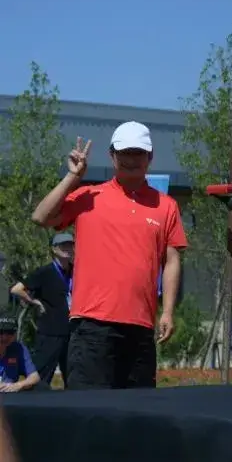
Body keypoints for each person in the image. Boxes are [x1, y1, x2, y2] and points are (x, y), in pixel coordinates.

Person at [31, 124, 186, 390]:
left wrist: (168, 312)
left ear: (150, 157)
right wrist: (72, 177)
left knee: (138, 411)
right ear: (112, 156)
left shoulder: (166, 205)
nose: (131, 160)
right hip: (92, 326)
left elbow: (171, 260)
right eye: (124, 152)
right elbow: (41, 217)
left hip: (140, 328)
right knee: (88, 409)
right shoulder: (89, 196)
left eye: (138, 153)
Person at [10, 233, 75, 389]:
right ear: (54, 249)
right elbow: (17, 289)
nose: (67, 248)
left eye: (70, 245)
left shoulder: (76, 271)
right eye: (63, 245)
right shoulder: (45, 272)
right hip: (50, 332)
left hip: (73, 332)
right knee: (41, 376)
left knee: (73, 378)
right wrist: (35, 302)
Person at [0, 315, 40, 393]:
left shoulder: (19, 349)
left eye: (10, 332)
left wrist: (18, 385)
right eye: (0, 332)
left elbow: (34, 377)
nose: (5, 337)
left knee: (42, 386)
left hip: (10, 394)